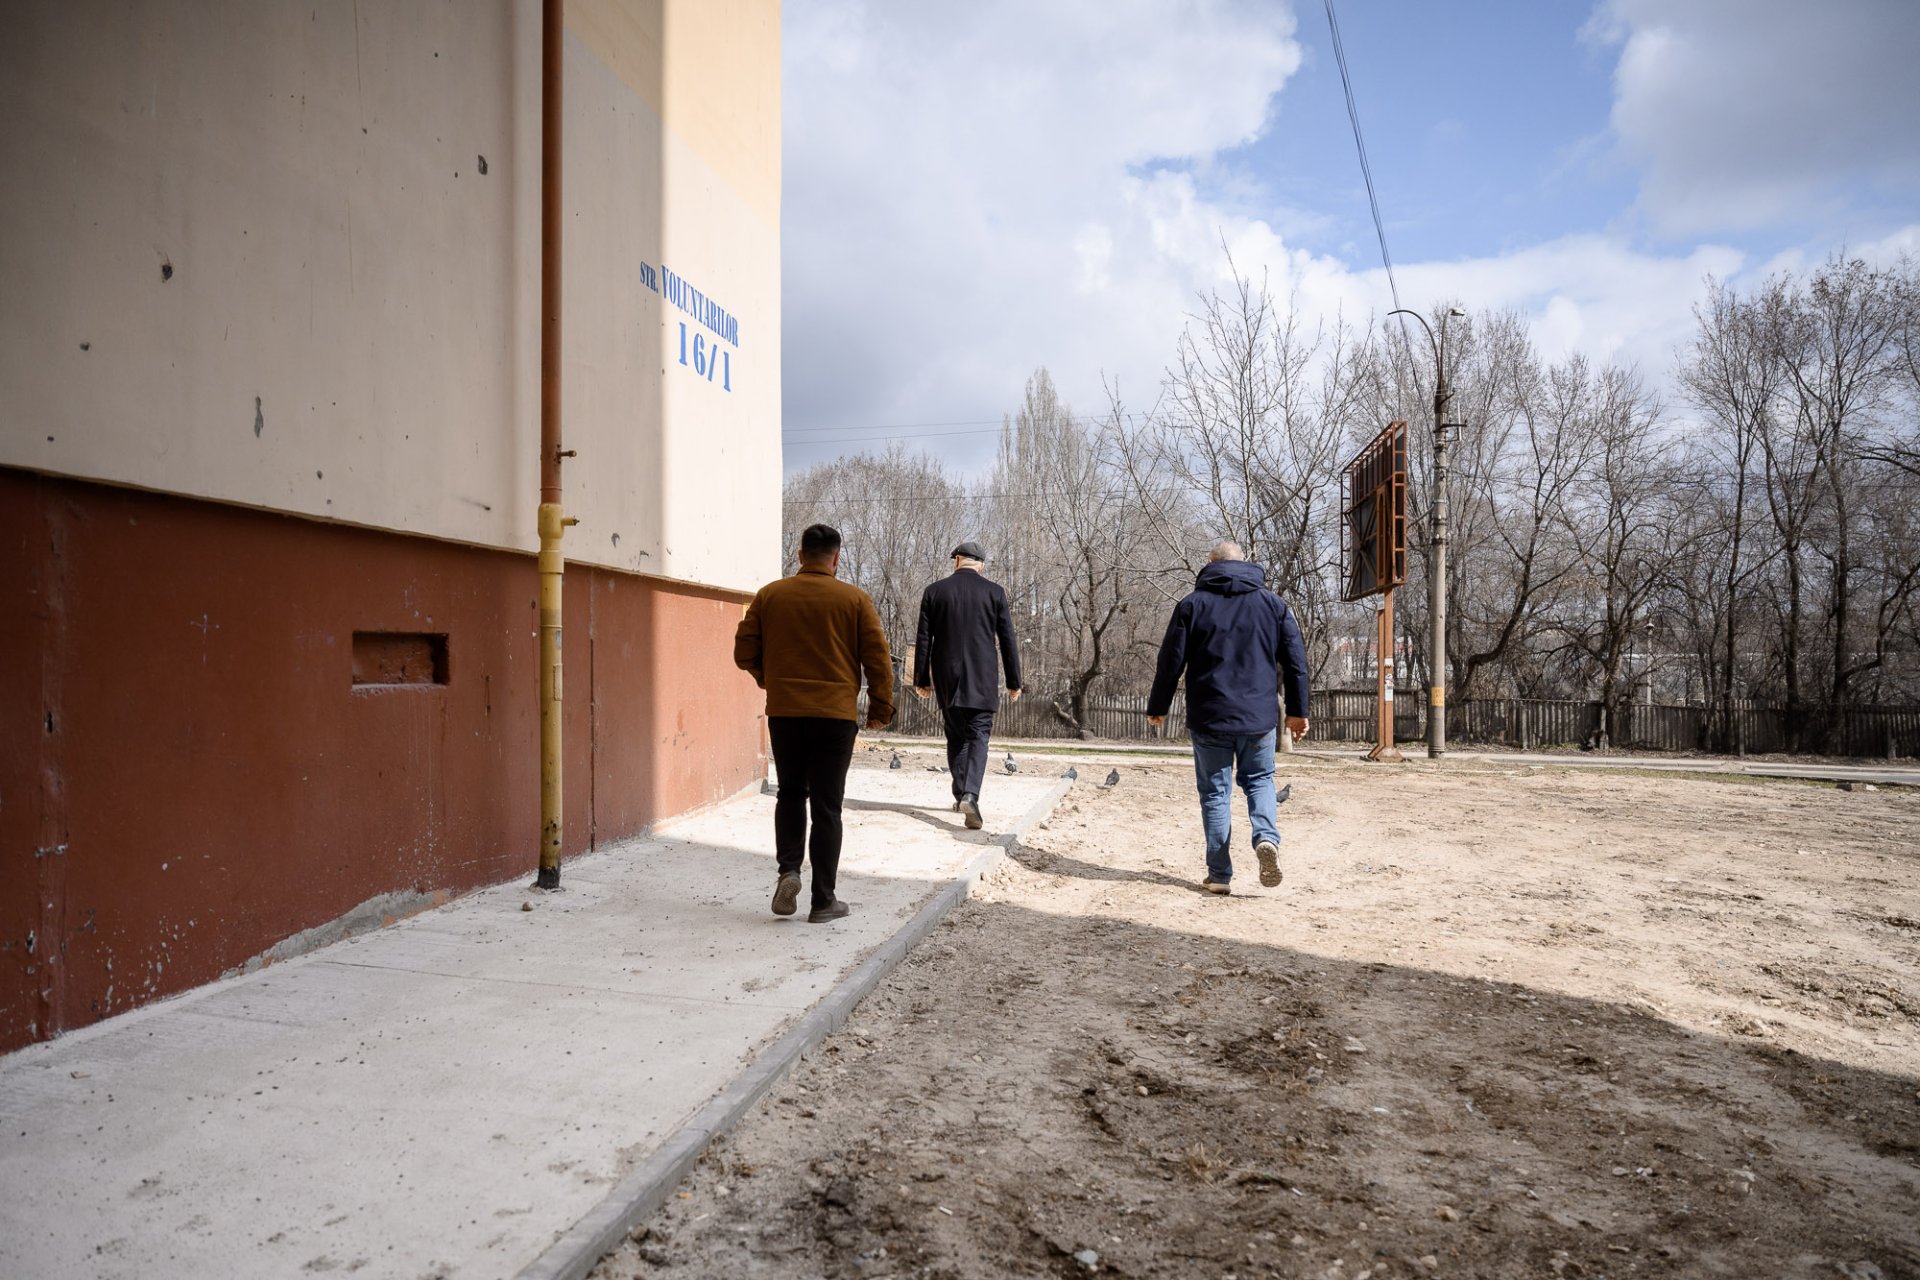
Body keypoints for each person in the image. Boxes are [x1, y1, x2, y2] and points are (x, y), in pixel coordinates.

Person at [734, 523, 894, 923]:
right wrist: (880, 709)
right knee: (827, 806)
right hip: (835, 716)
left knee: (790, 793)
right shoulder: (854, 600)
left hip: (786, 712)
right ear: (836, 558)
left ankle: (789, 870)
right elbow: (877, 659)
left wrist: (769, 679)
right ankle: (823, 901)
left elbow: (743, 651)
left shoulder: (771, 595)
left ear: (800, 554)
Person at [1146, 541, 1310, 894]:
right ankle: (1266, 837)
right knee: (1260, 780)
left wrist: (1158, 706)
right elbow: (1296, 662)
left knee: (1215, 793)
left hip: (1209, 716)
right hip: (1259, 718)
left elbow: (1170, 662)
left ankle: (1219, 876)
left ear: (1211, 564)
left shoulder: (1192, 605)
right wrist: (1298, 712)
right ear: (1244, 563)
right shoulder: (1273, 605)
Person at [912, 541, 1023, 830]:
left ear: (957, 560)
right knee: (979, 736)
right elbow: (1007, 640)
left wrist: (921, 678)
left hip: (946, 676)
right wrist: (1014, 681)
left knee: (955, 736)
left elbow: (924, 639)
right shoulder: (995, 592)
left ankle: (962, 793)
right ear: (981, 565)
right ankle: (970, 795)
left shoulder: (934, 591)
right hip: (982, 676)